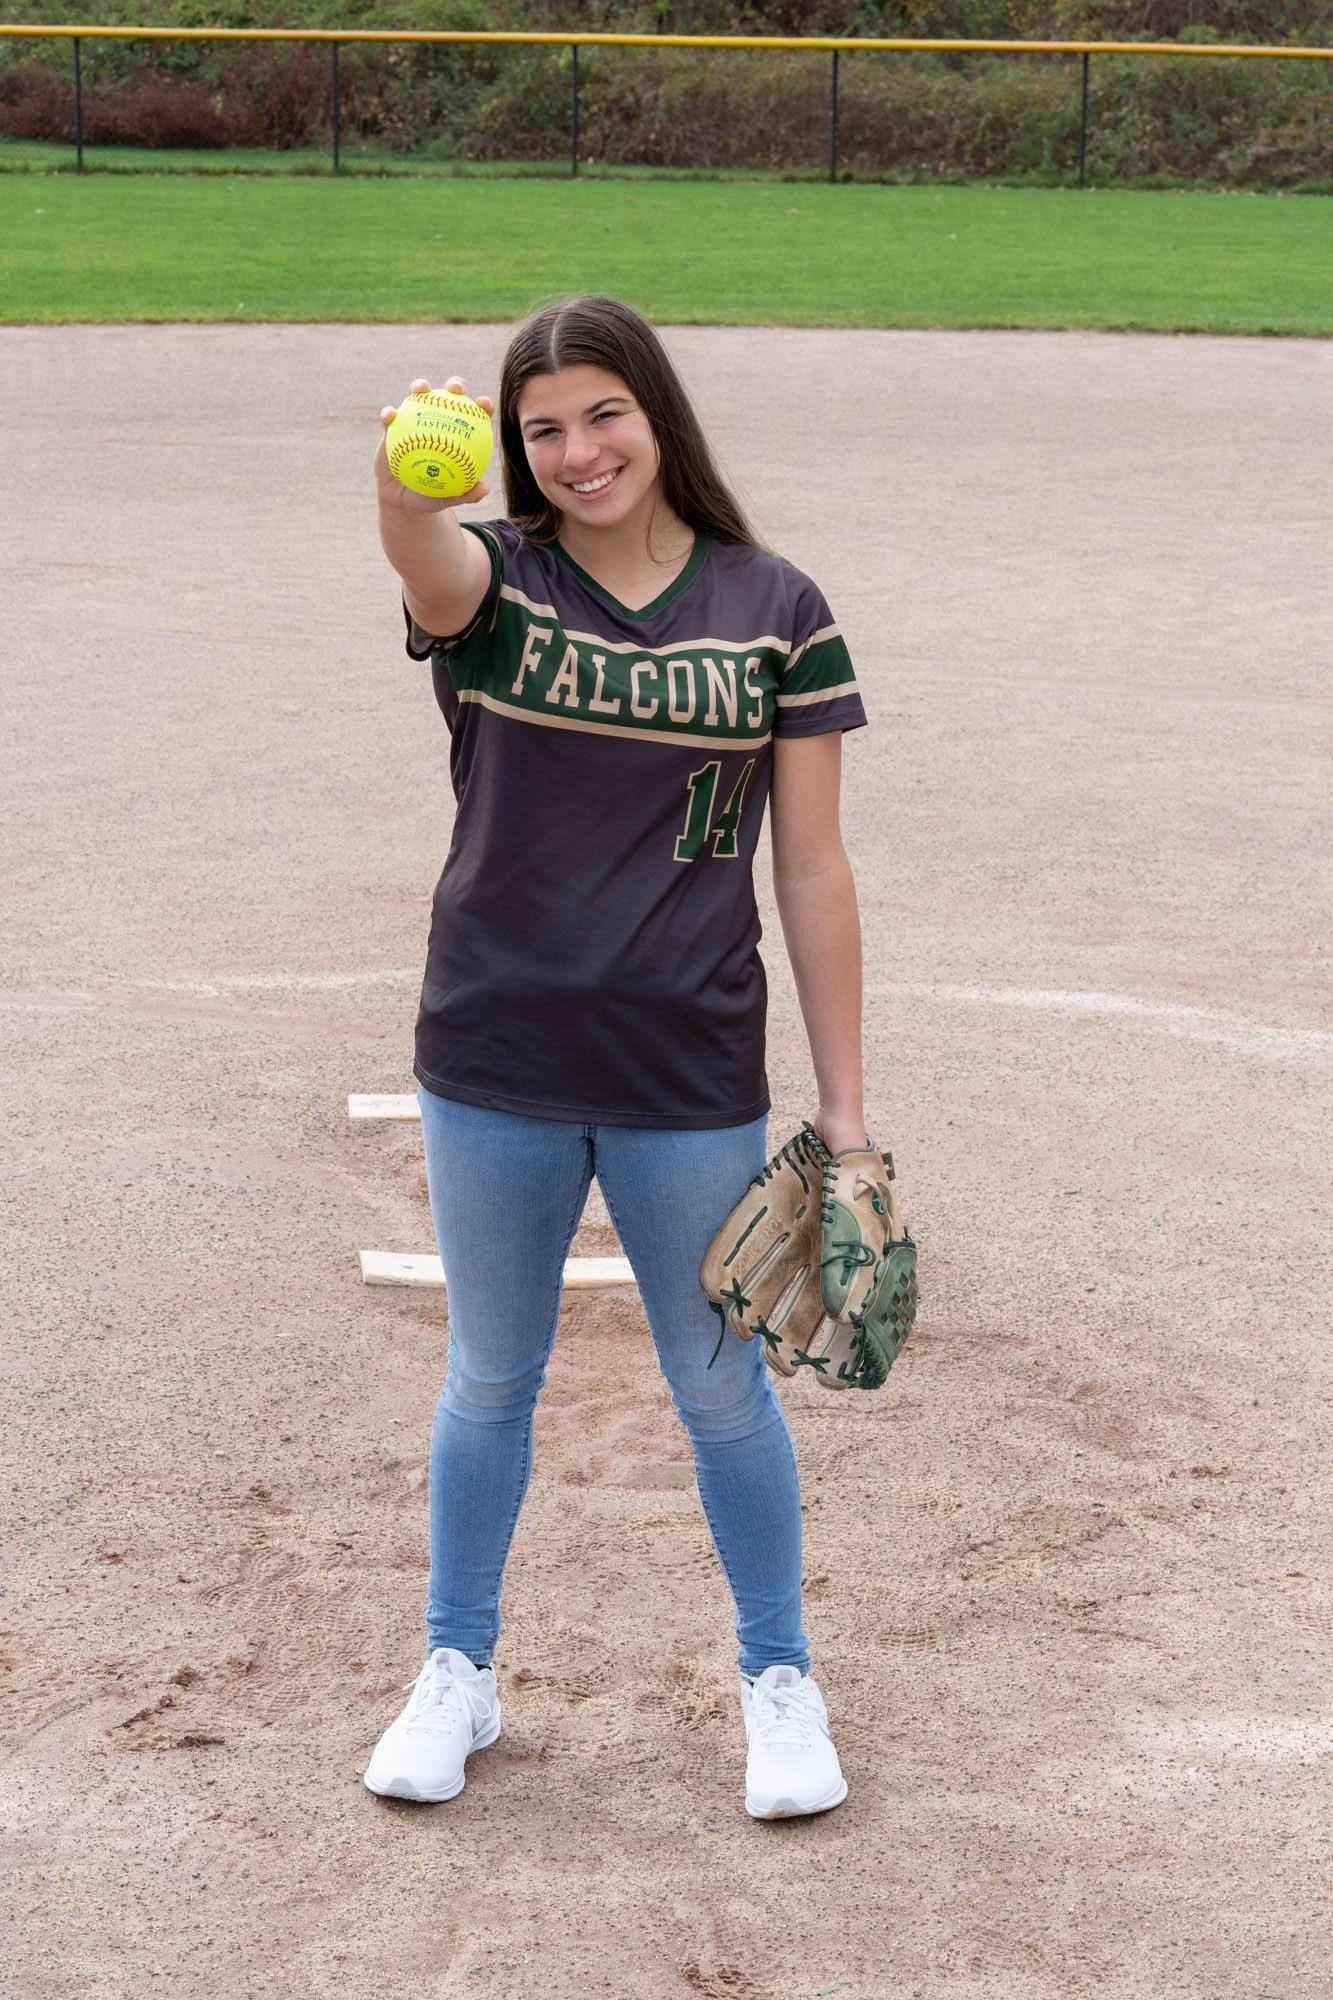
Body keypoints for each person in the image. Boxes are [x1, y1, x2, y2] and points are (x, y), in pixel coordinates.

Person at [361, 296, 868, 1821]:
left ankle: (779, 1680)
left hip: (689, 1069)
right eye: (542, 429)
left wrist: (845, 1108)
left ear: (657, 414)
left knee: (724, 1394)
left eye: (602, 415)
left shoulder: (776, 607)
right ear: (510, 451)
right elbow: (420, 558)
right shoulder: (498, 585)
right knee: (491, 1378)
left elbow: (817, 870)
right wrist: (405, 483)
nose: (577, 452)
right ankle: (459, 1671)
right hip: (494, 1052)